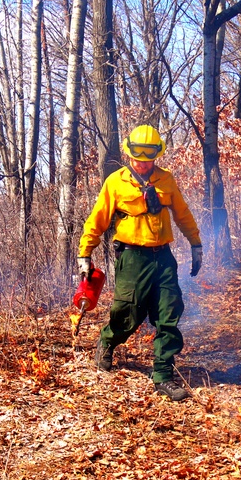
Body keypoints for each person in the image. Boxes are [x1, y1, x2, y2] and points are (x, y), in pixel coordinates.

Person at [76, 125, 203, 401]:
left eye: (148, 158)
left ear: (157, 154)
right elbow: (97, 220)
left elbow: (182, 214)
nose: (142, 163)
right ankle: (108, 341)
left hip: (163, 257)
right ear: (128, 152)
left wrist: (196, 244)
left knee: (168, 313)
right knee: (128, 312)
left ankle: (163, 376)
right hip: (132, 257)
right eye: (137, 157)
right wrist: (85, 253)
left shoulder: (166, 180)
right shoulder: (116, 182)